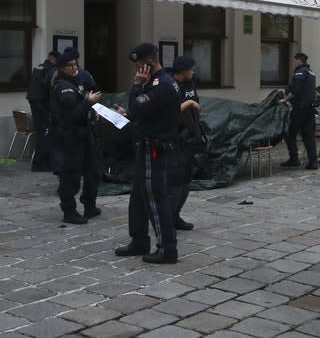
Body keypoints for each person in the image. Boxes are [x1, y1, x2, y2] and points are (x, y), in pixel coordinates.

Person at [114, 42, 181, 264]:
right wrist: (129, 112)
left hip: (155, 147)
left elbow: (139, 106)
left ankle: (167, 248)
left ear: (149, 63)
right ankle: (139, 240)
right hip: (145, 144)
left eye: (139, 65)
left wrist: (135, 86)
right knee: (139, 196)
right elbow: (141, 112)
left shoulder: (162, 84)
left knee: (155, 198)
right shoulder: (154, 82)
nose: (137, 70)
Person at [50, 48, 102, 224]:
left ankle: (90, 205)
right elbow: (72, 115)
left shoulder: (77, 81)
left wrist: (93, 109)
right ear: (62, 69)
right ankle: (69, 211)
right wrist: (88, 102)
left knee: (92, 172)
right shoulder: (63, 87)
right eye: (69, 66)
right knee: (70, 175)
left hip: (85, 133)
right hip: (70, 137)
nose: (74, 68)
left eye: (75, 64)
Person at [171, 55, 206, 231]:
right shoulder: (171, 86)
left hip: (192, 138)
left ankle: (175, 214)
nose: (193, 71)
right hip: (177, 141)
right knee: (175, 181)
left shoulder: (190, 83)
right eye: (190, 69)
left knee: (186, 180)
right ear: (183, 71)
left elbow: (196, 106)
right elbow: (169, 111)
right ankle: (168, 216)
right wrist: (189, 103)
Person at [278, 52, 318, 170]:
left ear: (299, 61)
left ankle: (294, 159)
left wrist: (285, 99)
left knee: (290, 133)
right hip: (310, 108)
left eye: (294, 60)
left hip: (300, 108)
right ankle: (313, 162)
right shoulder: (311, 72)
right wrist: (285, 90)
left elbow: (296, 89)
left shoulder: (300, 72)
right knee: (309, 135)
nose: (293, 63)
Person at [26, 50, 59, 172]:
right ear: (54, 59)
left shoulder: (38, 67)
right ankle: (40, 163)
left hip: (34, 103)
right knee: (45, 134)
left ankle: (41, 162)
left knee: (41, 132)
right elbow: (48, 88)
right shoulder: (50, 70)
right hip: (42, 105)